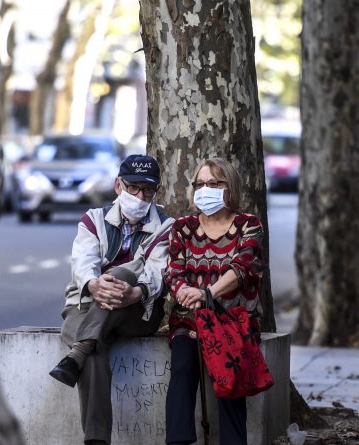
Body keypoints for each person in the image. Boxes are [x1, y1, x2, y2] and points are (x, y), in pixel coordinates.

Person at [50, 154, 174, 445]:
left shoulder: (166, 226)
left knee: (120, 273)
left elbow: (157, 271)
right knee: (94, 354)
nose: (140, 197)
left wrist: (136, 292)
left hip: (139, 313)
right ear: (118, 186)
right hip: (83, 308)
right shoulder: (93, 219)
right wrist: (94, 284)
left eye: (148, 190)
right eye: (133, 188)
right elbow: (83, 264)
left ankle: (77, 352)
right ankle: (97, 440)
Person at [163, 157, 265, 445]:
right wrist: (186, 292)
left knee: (230, 381)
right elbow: (174, 272)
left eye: (214, 183)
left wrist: (206, 293)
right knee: (182, 369)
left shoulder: (248, 225)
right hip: (190, 320)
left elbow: (243, 268)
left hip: (233, 321)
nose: (205, 189)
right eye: (200, 184)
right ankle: (178, 442)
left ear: (229, 187)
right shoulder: (182, 227)